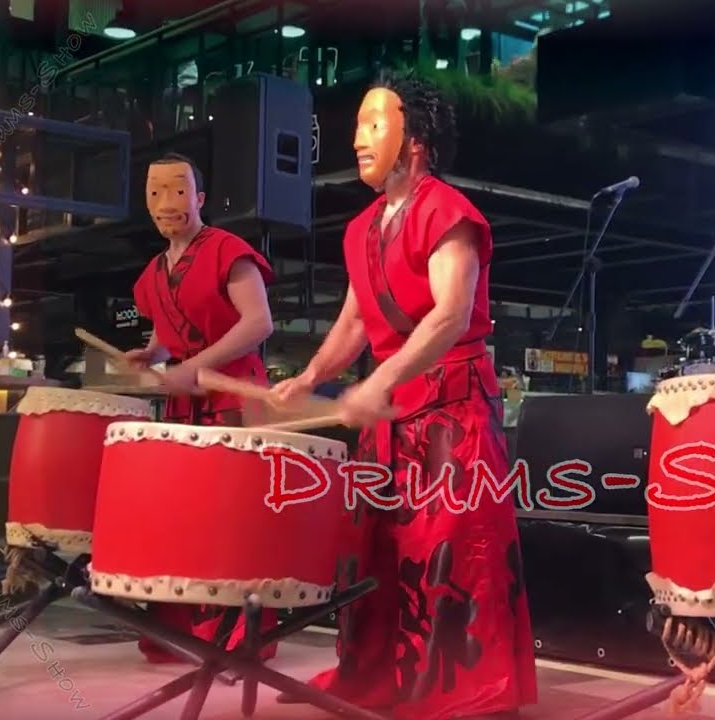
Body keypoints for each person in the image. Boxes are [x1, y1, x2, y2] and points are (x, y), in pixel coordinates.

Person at [271, 72, 537, 720]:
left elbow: (450, 314)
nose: (357, 139)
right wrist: (309, 377)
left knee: (447, 552)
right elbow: (355, 322)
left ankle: (456, 690)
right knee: (378, 552)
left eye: (374, 124)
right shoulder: (361, 228)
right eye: (358, 125)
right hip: (388, 417)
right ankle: (377, 677)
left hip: (451, 414)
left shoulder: (447, 212)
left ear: (414, 138)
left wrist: (377, 382)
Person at [125, 152, 280, 664]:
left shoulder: (227, 251)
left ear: (200, 198)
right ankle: (179, 627)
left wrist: (193, 365)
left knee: (232, 516)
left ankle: (234, 633)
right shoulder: (154, 271)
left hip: (234, 396)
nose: (166, 202)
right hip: (186, 401)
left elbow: (258, 322)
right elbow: (168, 332)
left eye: (177, 190)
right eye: (155, 192)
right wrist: (153, 354)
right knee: (185, 514)